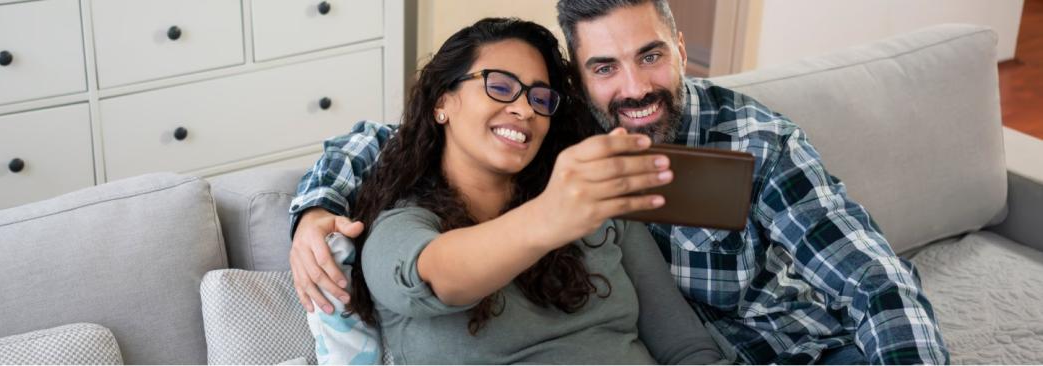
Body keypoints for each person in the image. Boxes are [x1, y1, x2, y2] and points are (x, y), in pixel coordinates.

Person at [288, 0, 950, 364]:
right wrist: (315, 209)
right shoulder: (419, 216)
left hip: (789, 342)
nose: (632, 87)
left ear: (680, 50)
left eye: (651, 55)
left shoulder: (751, 141)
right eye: (604, 66)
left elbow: (869, 279)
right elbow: (426, 256)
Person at [328, 17, 724, 364]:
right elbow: (438, 278)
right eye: (500, 86)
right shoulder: (399, 227)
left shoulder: (592, 206)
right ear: (442, 101)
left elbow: (686, 349)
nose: (525, 109)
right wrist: (550, 216)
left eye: (540, 97)